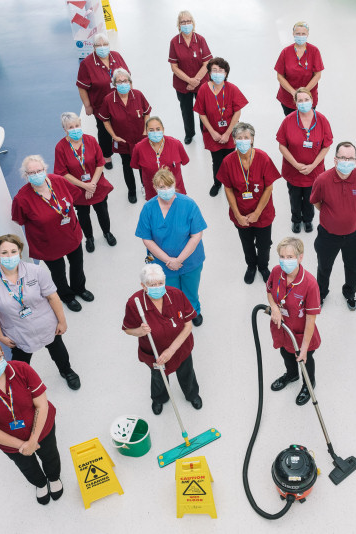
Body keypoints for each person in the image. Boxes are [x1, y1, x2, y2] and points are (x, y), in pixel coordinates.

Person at [0, 234, 80, 390]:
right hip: (17, 331)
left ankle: (66, 371)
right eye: (4, 252)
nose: (9, 256)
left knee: (57, 349)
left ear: (20, 251)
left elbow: (52, 297)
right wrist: (0, 336)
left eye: (13, 251)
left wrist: (62, 321)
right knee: (20, 362)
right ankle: (20, 383)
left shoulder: (35, 271)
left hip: (46, 323)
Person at [0, 339, 63, 505]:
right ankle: (40, 483)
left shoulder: (22, 369)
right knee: (27, 466)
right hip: (10, 442)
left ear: (2, 355)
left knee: (50, 455)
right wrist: (22, 445)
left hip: (42, 428)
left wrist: (33, 440)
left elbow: (41, 405)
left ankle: (54, 478)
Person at [12, 155, 93, 313]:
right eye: (31, 173)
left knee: (77, 264)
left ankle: (79, 288)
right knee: (58, 272)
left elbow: (73, 196)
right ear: (26, 175)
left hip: (70, 234)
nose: (36, 174)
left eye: (39, 170)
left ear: (45, 169)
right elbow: (18, 219)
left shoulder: (58, 181)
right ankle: (67, 296)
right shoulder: (22, 198)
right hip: (48, 243)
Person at [122, 264, 202, 415]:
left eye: (160, 283)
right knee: (158, 377)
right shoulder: (134, 303)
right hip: (155, 353)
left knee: (187, 372)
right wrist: (139, 331)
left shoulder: (176, 295)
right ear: (143, 286)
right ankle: (159, 398)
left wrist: (171, 350)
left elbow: (188, 326)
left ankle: (192, 394)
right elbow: (127, 329)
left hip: (180, 347)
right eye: (152, 285)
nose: (158, 287)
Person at [136, 168, 207, 326]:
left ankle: (193, 311)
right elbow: (147, 239)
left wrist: (179, 260)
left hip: (190, 260)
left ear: (175, 184)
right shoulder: (148, 209)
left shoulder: (188, 204)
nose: (166, 190)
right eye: (162, 187)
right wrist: (168, 260)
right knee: (170, 292)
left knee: (191, 290)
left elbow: (196, 235)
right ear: (155, 187)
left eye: (169, 186)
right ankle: (177, 313)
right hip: (162, 263)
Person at [310, 142, 356, 311]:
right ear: (335, 160)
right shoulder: (322, 180)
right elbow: (317, 202)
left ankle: (350, 293)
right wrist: (332, 216)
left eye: (351, 158)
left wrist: (354, 214)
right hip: (328, 236)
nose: (347, 162)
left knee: (352, 268)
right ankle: (321, 294)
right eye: (343, 158)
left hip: (355, 235)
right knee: (324, 267)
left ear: (355, 160)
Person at [216, 122, 281, 284]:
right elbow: (228, 189)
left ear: (252, 139)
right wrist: (237, 214)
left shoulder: (263, 158)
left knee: (264, 244)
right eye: (239, 138)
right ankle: (251, 266)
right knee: (247, 243)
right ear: (234, 140)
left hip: (263, 213)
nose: (243, 141)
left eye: (246, 137)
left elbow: (269, 187)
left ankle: (263, 266)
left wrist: (257, 213)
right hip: (241, 213)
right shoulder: (228, 161)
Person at [266, 237, 321, 406]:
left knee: (305, 360)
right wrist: (274, 308)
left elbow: (311, 319)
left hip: (301, 334)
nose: (285, 261)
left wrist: (304, 349)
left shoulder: (310, 284)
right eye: (282, 257)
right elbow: (269, 291)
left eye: (289, 257)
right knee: (285, 353)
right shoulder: (276, 272)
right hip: (282, 329)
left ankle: (308, 384)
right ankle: (291, 375)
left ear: (300, 257)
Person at [53, 112, 116, 253]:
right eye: (70, 127)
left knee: (102, 211)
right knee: (83, 216)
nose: (75, 129)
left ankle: (107, 233)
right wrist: (84, 186)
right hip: (77, 189)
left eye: (77, 125)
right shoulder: (60, 147)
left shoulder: (90, 140)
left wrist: (91, 184)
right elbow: (62, 172)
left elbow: (100, 163)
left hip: (96, 185)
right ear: (64, 129)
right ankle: (89, 238)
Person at [276, 88, 333, 234]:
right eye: (300, 100)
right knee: (294, 197)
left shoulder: (322, 120)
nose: (303, 103)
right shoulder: (288, 121)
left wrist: (313, 165)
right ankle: (296, 220)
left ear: (312, 101)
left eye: (306, 99)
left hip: (314, 170)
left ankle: (308, 219)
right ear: (295, 103)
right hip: (293, 170)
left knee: (310, 197)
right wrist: (295, 164)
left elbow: (326, 146)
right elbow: (282, 146)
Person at [193, 57, 248, 197]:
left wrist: (228, 133)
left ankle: (232, 184)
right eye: (214, 70)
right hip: (212, 134)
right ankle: (217, 183)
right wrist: (212, 132)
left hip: (230, 132)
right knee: (216, 161)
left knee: (231, 160)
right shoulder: (204, 89)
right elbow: (201, 113)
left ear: (226, 73)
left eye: (221, 70)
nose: (217, 73)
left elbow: (237, 112)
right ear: (209, 73)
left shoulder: (232, 89)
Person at [76, 32, 130, 170]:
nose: (102, 47)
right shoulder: (87, 63)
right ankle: (106, 156)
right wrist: (87, 105)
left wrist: (129, 97)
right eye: (98, 45)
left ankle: (125, 150)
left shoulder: (116, 56)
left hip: (119, 101)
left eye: (105, 44)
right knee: (104, 130)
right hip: (100, 105)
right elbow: (82, 87)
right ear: (93, 47)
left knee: (123, 126)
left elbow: (128, 77)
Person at [98, 68, 151, 203]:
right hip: (122, 140)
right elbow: (105, 120)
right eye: (119, 81)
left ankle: (145, 186)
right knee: (127, 165)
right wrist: (114, 136)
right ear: (114, 84)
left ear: (130, 82)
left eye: (125, 81)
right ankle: (131, 191)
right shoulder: (109, 100)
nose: (123, 84)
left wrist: (145, 130)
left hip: (140, 138)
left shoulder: (138, 95)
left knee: (143, 163)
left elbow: (146, 112)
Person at [168, 10, 212, 145]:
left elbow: (207, 63)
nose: (186, 24)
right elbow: (174, 67)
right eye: (183, 22)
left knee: (203, 110)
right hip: (183, 85)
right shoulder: (174, 42)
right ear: (178, 25)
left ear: (193, 23)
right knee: (186, 110)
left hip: (201, 82)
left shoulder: (200, 39)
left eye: (188, 21)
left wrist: (195, 81)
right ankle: (189, 134)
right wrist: (189, 80)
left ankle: (205, 133)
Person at [131, 116, 189, 201]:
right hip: (153, 192)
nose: (155, 132)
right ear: (146, 131)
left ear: (163, 129)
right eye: (151, 130)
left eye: (158, 129)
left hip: (176, 190)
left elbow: (185, 161)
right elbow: (136, 165)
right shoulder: (139, 148)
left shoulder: (176, 144)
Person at [274, 21, 325, 116]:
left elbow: (317, 75)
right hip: (289, 97)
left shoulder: (314, 51)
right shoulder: (285, 52)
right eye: (298, 33)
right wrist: (294, 93)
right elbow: (280, 76)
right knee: (291, 120)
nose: (300, 36)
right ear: (293, 34)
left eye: (303, 34)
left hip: (308, 96)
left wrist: (304, 93)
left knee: (308, 120)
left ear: (307, 34)